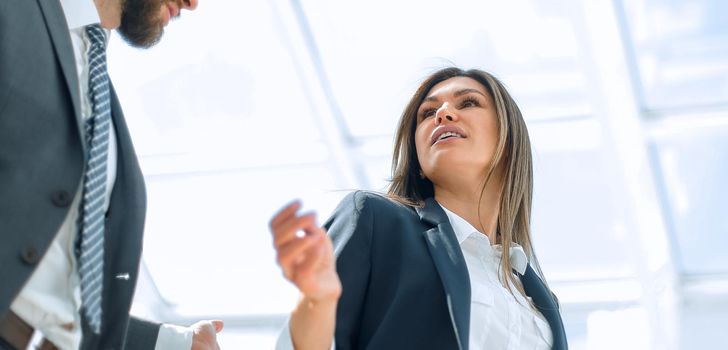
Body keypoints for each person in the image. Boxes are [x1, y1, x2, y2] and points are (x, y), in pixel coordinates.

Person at [269, 67, 568, 350]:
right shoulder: (375, 220)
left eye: (468, 102)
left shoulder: (537, 296)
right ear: (419, 161)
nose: (443, 114)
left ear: (508, 140)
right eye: (427, 113)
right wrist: (316, 302)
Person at [0, 0, 223, 349]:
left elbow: (55, 296)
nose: (193, 4)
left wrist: (173, 344)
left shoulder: (96, 81)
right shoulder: (16, 12)